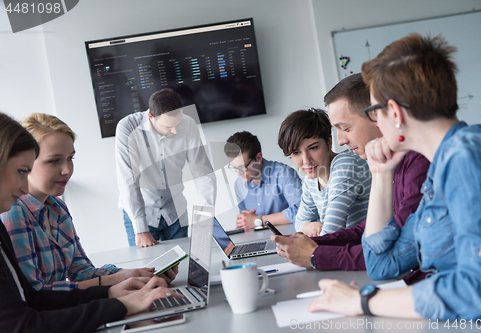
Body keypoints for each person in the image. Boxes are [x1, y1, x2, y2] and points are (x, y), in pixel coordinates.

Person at [309, 34, 481, 321]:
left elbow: (480, 294)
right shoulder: (441, 167)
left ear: (395, 112)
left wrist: (364, 301)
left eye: (374, 111)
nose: (375, 121)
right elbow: (381, 265)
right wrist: (382, 174)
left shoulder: (466, 160)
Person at [0, 112, 180, 333]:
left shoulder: (56, 207)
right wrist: (114, 293)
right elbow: (34, 296)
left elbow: (79, 269)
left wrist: (129, 276)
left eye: (70, 158)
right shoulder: (12, 213)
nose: (67, 170)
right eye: (54, 161)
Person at [272, 74, 429, 284]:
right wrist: (312, 243)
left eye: (345, 128)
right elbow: (367, 229)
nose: (341, 140)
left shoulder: (419, 163)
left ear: (378, 118)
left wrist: (314, 254)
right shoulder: (393, 162)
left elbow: (388, 254)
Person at [116, 88, 216, 247]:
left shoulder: (188, 124)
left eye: (178, 124)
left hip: (175, 213)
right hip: (142, 214)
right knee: (146, 269)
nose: (175, 131)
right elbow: (127, 180)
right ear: (151, 117)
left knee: (181, 267)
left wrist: (205, 219)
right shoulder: (128, 127)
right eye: (168, 127)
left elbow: (203, 173)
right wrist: (140, 229)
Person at [277, 108, 371, 237]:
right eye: (296, 152)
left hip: (365, 250)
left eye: (313, 148)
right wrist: (308, 226)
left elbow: (332, 232)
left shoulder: (345, 165)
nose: (306, 161)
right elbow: (299, 221)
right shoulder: (311, 180)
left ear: (329, 141)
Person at [224, 131, 302, 230]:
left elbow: (301, 211)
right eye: (234, 167)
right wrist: (244, 223)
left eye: (242, 167)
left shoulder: (284, 174)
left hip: (289, 238)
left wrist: (259, 220)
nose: (238, 173)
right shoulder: (239, 184)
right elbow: (246, 221)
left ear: (258, 157)